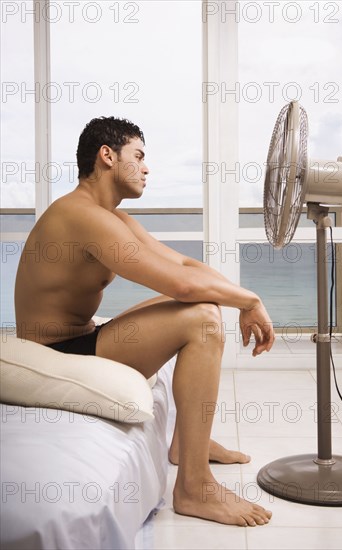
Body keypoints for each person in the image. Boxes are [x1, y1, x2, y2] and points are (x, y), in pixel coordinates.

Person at [15, 116, 275, 527]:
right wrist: (250, 299)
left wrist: (240, 299)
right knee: (202, 319)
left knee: (199, 304)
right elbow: (184, 286)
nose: (147, 167)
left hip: (83, 338)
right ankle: (193, 487)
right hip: (56, 352)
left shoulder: (111, 217)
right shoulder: (81, 216)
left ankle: (188, 443)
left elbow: (186, 265)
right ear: (107, 156)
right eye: (138, 156)